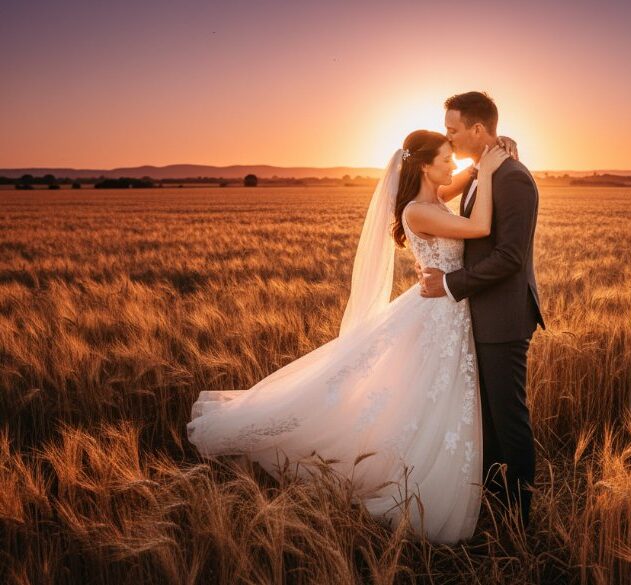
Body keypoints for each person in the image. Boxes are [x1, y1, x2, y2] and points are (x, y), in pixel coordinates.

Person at [186, 129, 513, 544]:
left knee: (431, 399)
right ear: (426, 166)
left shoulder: (434, 199)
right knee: (429, 397)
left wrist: (484, 161)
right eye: (447, 159)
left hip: (445, 311)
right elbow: (481, 225)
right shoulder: (419, 211)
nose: (454, 166)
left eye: (454, 159)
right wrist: (487, 166)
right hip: (438, 314)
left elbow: (461, 181)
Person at [419, 91, 546, 529]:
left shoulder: (511, 178)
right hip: (481, 315)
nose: (448, 138)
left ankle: (522, 519)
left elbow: (510, 257)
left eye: (453, 130)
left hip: (504, 319)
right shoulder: (485, 171)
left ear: (477, 129)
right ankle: (492, 507)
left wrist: (451, 283)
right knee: (488, 420)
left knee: (509, 420)